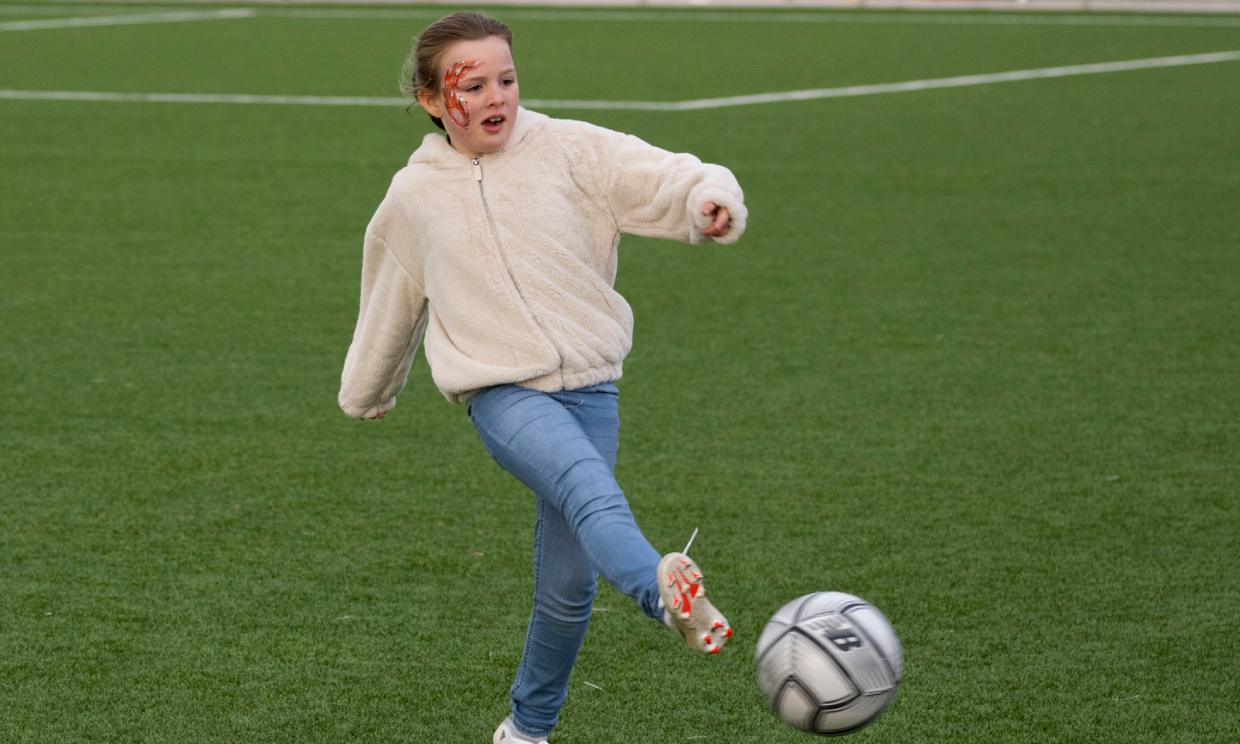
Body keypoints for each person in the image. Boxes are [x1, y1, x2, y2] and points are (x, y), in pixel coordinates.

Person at [337, 11, 748, 743]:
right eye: (473, 85)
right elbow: (391, 295)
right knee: (593, 495)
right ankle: (666, 596)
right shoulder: (413, 197)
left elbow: (664, 174)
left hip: (592, 388)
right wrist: (368, 391)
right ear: (434, 100)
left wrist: (705, 201)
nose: (496, 97)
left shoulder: (569, 150)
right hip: (501, 393)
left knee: (567, 586)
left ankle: (525, 731)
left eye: (507, 78)